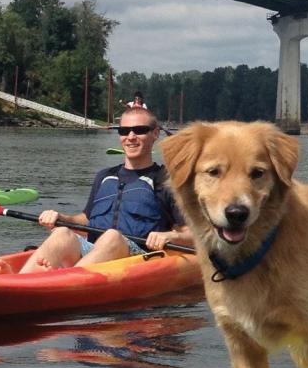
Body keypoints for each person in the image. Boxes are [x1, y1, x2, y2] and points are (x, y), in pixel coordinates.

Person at [19, 105, 190, 273]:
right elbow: (86, 219)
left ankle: (67, 279)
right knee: (61, 233)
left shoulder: (168, 181)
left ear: (155, 133)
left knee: (112, 236)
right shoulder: (104, 176)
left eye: (139, 130)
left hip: (140, 258)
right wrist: (61, 218)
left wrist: (171, 236)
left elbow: (193, 234)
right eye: (124, 131)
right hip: (94, 252)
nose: (131, 137)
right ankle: (23, 280)